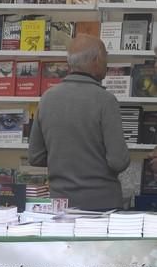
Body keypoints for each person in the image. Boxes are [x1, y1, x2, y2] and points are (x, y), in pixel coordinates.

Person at [28, 34, 130, 210]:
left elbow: (35, 157)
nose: (107, 62)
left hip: (60, 204)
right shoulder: (105, 100)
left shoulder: (47, 98)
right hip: (102, 205)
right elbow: (118, 161)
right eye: (106, 56)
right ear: (96, 59)